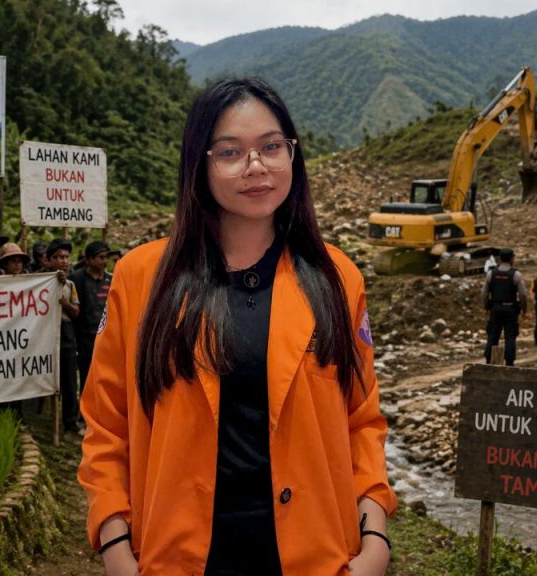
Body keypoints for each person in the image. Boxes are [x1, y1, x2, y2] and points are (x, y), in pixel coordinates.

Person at [78, 78, 395, 576]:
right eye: (230, 152)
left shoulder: (337, 278)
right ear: (198, 164)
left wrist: (374, 538)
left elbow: (363, 421)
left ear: (292, 154)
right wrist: (115, 543)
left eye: (271, 147)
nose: (256, 167)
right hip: (176, 557)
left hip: (315, 555)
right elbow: (106, 425)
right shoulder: (141, 278)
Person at [70, 241, 113, 398]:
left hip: (106, 337)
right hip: (84, 338)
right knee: (86, 375)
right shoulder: (76, 279)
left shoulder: (111, 279)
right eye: (100, 257)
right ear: (88, 259)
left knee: (105, 376)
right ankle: (85, 408)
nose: (104, 261)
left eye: (106, 257)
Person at [46, 239, 80, 435]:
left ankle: (70, 423)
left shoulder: (70, 285)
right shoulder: (39, 282)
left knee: (69, 381)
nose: (63, 261)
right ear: (49, 260)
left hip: (66, 333)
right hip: (44, 333)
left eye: (66, 257)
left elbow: (76, 311)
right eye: (59, 257)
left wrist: (65, 304)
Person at [481, 247, 528, 366]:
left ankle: (490, 362)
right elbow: (523, 294)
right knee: (510, 336)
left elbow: (484, 293)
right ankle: (509, 363)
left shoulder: (491, 273)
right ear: (512, 259)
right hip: (511, 309)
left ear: (500, 259)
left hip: (495, 309)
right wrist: (524, 310)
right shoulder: (516, 275)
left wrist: (486, 307)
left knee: (493, 335)